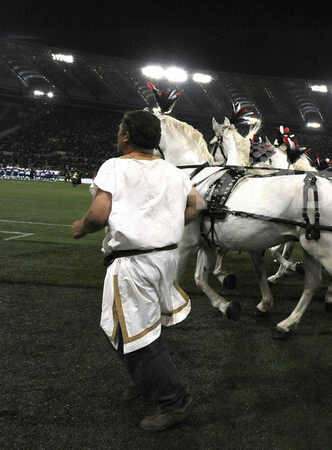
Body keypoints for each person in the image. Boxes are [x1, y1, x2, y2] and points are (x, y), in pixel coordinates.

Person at [72, 110, 205, 432]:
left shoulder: (115, 166)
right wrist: (168, 225)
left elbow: (98, 215)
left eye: (120, 129)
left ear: (126, 136)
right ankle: (147, 382)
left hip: (135, 263)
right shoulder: (172, 171)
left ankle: (175, 401)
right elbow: (198, 205)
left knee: (140, 336)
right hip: (165, 259)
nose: (117, 133)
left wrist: (82, 227)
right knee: (126, 327)